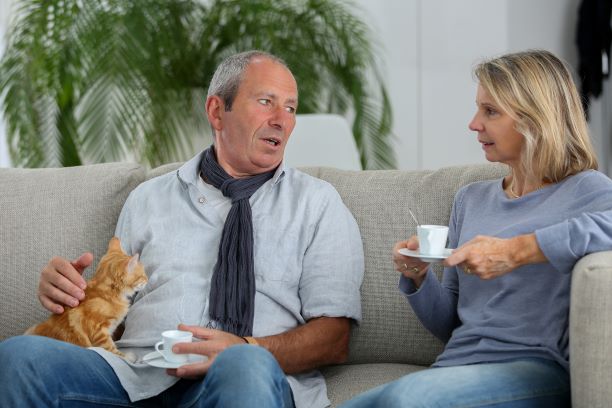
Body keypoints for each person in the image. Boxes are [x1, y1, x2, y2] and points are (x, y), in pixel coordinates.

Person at [0, 50, 364, 408]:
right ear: (217, 111)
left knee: (245, 365)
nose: (282, 120)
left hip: (240, 378)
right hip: (137, 378)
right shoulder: (148, 199)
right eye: (266, 101)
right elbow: (117, 315)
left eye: (290, 107)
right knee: (20, 355)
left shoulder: (316, 203)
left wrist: (248, 348)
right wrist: (72, 297)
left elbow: (335, 338)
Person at [341, 49, 612, 407]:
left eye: (491, 111)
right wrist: (419, 277)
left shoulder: (586, 189)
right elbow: (451, 325)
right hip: (454, 366)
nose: (473, 124)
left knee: (408, 397)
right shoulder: (471, 199)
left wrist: (514, 251)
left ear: (535, 118)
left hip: (535, 369)